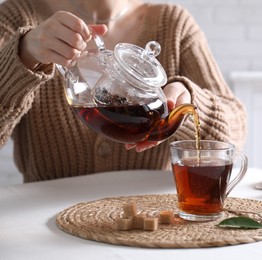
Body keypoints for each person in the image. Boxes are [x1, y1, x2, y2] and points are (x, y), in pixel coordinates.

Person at [0, 0, 247, 182]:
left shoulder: (174, 24)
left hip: (149, 226)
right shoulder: (18, 16)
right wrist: (23, 54)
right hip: (44, 225)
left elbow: (234, 136)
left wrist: (186, 101)